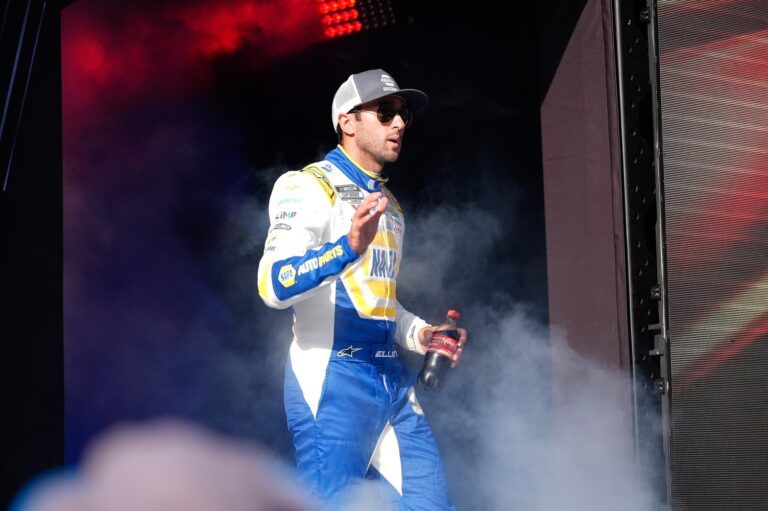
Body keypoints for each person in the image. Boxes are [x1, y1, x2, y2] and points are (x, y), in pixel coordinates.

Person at [257, 69, 467, 510]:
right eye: (385, 111)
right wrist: (347, 247)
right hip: (332, 379)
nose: (399, 124)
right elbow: (273, 285)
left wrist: (420, 334)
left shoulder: (392, 209)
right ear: (347, 121)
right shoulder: (307, 185)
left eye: (404, 115)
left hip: (391, 381)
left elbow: (378, 300)